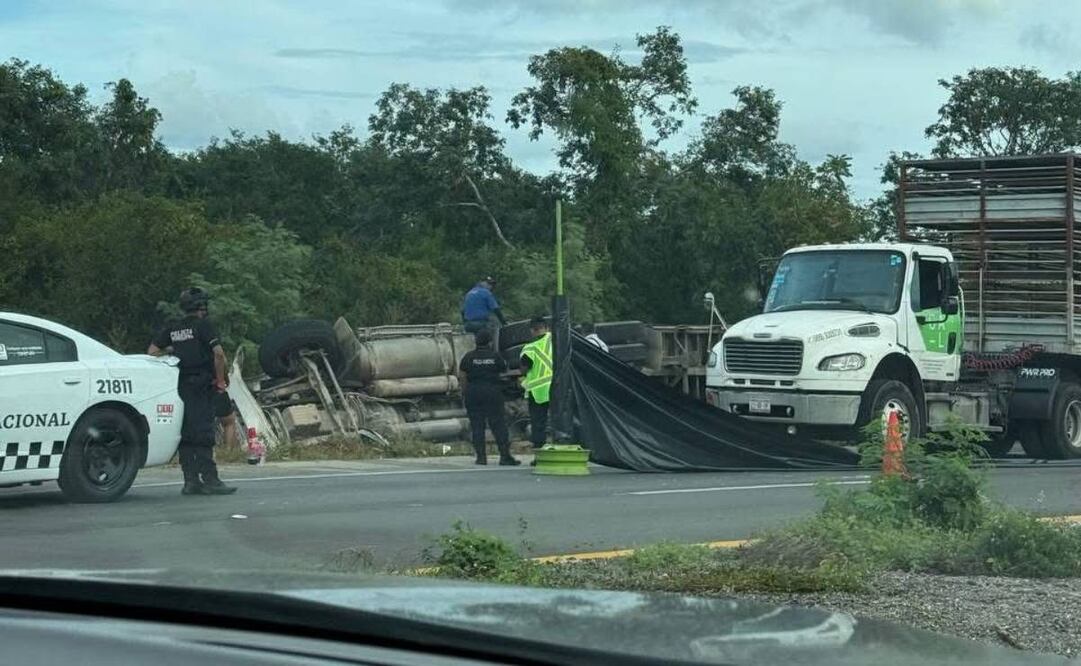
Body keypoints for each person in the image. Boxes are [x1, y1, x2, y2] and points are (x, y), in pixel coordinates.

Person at [148, 287, 237, 496]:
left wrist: (173, 350)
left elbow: (152, 352)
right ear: (202, 306)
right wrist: (221, 381)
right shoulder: (204, 326)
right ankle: (211, 480)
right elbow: (219, 355)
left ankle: (190, 481)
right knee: (204, 432)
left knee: (186, 433)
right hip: (203, 385)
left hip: (180, 387)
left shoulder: (173, 328)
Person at [458, 329, 520, 466]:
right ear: (490, 342)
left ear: (476, 342)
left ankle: (481, 457)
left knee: (477, 426)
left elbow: (462, 376)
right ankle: (504, 456)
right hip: (492, 392)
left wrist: (465, 392)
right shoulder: (495, 356)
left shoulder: (468, 357)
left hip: (473, 392)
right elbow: (504, 371)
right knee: (498, 425)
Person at [519, 316, 552, 458]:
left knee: (538, 424)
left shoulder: (529, 347)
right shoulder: (557, 340)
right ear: (546, 327)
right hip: (559, 388)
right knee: (563, 422)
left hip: (538, 392)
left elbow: (524, 369)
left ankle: (540, 456)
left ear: (532, 330)